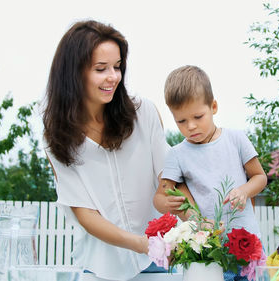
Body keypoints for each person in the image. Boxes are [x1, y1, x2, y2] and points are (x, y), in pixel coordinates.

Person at [42, 20, 185, 280]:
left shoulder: (144, 114)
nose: (113, 77)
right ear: (74, 73)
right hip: (99, 267)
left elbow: (170, 179)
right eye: (101, 69)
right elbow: (84, 212)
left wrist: (197, 222)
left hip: (160, 259)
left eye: (117, 67)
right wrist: (140, 243)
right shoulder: (56, 136)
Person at [153, 65, 268, 281]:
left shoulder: (236, 139)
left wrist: (244, 191)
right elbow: (160, 196)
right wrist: (165, 203)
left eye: (198, 116)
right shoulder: (177, 154)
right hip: (207, 253)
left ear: (213, 106)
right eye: (181, 121)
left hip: (247, 246)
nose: (191, 126)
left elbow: (260, 177)